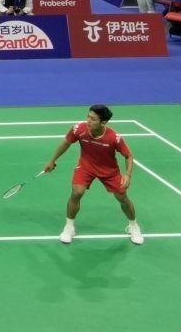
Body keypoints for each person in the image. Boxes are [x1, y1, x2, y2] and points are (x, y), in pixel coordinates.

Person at [43, 105, 142, 245]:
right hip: (86, 167)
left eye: (93, 119)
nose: (88, 120)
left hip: (109, 171)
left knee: (122, 198)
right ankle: (69, 227)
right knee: (76, 192)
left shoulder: (114, 138)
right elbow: (66, 143)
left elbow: (128, 155)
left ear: (103, 122)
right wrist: (52, 160)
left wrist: (128, 175)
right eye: (88, 116)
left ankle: (133, 226)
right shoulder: (79, 129)